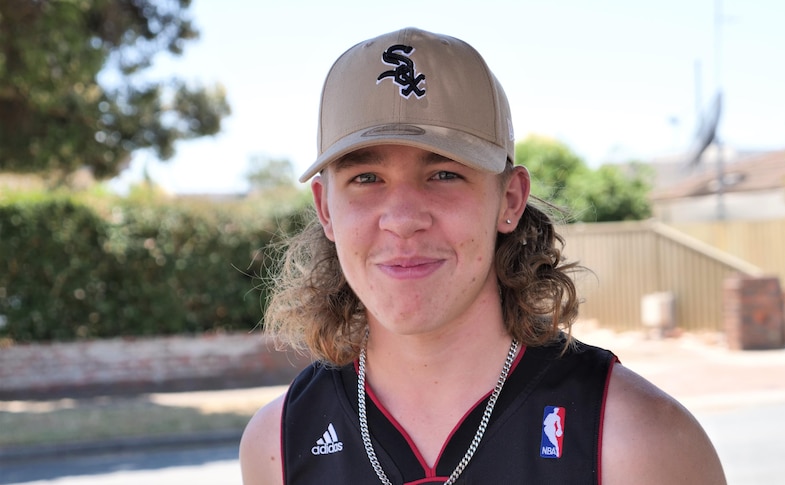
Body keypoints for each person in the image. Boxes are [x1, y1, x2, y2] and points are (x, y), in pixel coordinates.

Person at [239, 27, 726, 485]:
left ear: (510, 200)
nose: (403, 218)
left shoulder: (637, 440)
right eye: (366, 178)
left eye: (444, 174)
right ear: (326, 208)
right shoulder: (277, 447)